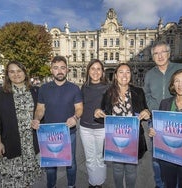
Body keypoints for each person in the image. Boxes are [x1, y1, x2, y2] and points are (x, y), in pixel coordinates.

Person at [0, 61, 42, 187]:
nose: (16, 74)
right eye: (12, 71)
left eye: (19, 71)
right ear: (7, 74)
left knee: (27, 180)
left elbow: (42, 113)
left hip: (31, 145)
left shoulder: (36, 91)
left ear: (25, 73)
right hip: (11, 143)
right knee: (12, 181)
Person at [94, 63, 150, 188]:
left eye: (128, 72)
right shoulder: (108, 93)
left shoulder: (138, 92)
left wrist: (147, 112)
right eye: (121, 72)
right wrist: (98, 113)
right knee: (117, 168)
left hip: (134, 139)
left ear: (131, 75)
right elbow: (103, 114)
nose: (124, 75)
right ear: (115, 75)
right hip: (115, 139)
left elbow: (145, 110)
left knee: (131, 169)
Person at [31, 55, 83, 188]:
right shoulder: (44, 88)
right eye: (56, 68)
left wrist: (75, 118)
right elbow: (40, 109)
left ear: (67, 70)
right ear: (51, 70)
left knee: (70, 162)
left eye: (62, 68)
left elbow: (79, 108)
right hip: (49, 133)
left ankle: (71, 185)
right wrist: (36, 119)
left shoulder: (74, 88)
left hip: (68, 132)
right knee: (50, 164)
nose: (59, 71)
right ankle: (51, 185)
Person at [144, 40, 182, 188]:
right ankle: (160, 184)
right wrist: (154, 109)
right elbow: (147, 94)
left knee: (178, 155)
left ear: (169, 53)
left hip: (178, 119)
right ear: (153, 56)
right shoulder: (149, 74)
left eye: (163, 52)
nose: (160, 55)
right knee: (157, 157)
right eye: (156, 53)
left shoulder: (180, 68)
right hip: (156, 120)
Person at [80, 59, 109, 188]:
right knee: (90, 159)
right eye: (93, 69)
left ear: (102, 72)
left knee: (101, 159)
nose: (95, 72)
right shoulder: (84, 87)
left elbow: (112, 108)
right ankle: (93, 182)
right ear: (88, 71)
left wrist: (103, 111)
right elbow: (80, 106)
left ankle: (100, 183)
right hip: (85, 128)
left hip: (102, 128)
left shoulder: (109, 88)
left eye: (98, 69)